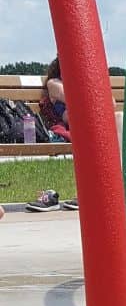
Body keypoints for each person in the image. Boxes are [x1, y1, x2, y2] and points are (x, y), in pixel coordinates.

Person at [26, 56, 77, 212]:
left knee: (120, 118)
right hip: (72, 125)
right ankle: (89, 194)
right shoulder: (54, 83)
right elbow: (74, 101)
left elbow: (112, 103)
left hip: (90, 123)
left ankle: (122, 190)